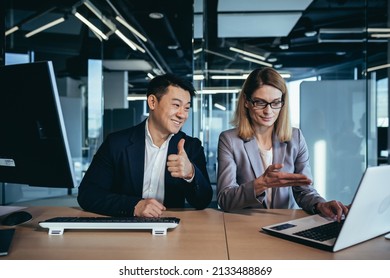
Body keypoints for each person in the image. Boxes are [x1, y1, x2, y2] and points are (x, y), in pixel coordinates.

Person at [217, 67, 348, 221]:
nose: (268, 111)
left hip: (284, 225)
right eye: (260, 102)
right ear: (246, 102)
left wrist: (321, 205)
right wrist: (260, 184)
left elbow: (304, 192)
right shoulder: (230, 140)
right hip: (245, 225)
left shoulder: (296, 137)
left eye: (275, 102)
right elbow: (225, 199)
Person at [78, 73, 213, 217]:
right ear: (152, 102)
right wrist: (134, 206)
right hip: (124, 227)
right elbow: (88, 194)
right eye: (176, 105)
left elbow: (202, 201)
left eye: (186, 108)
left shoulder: (191, 147)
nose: (182, 115)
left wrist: (190, 173)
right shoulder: (116, 143)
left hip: (171, 230)